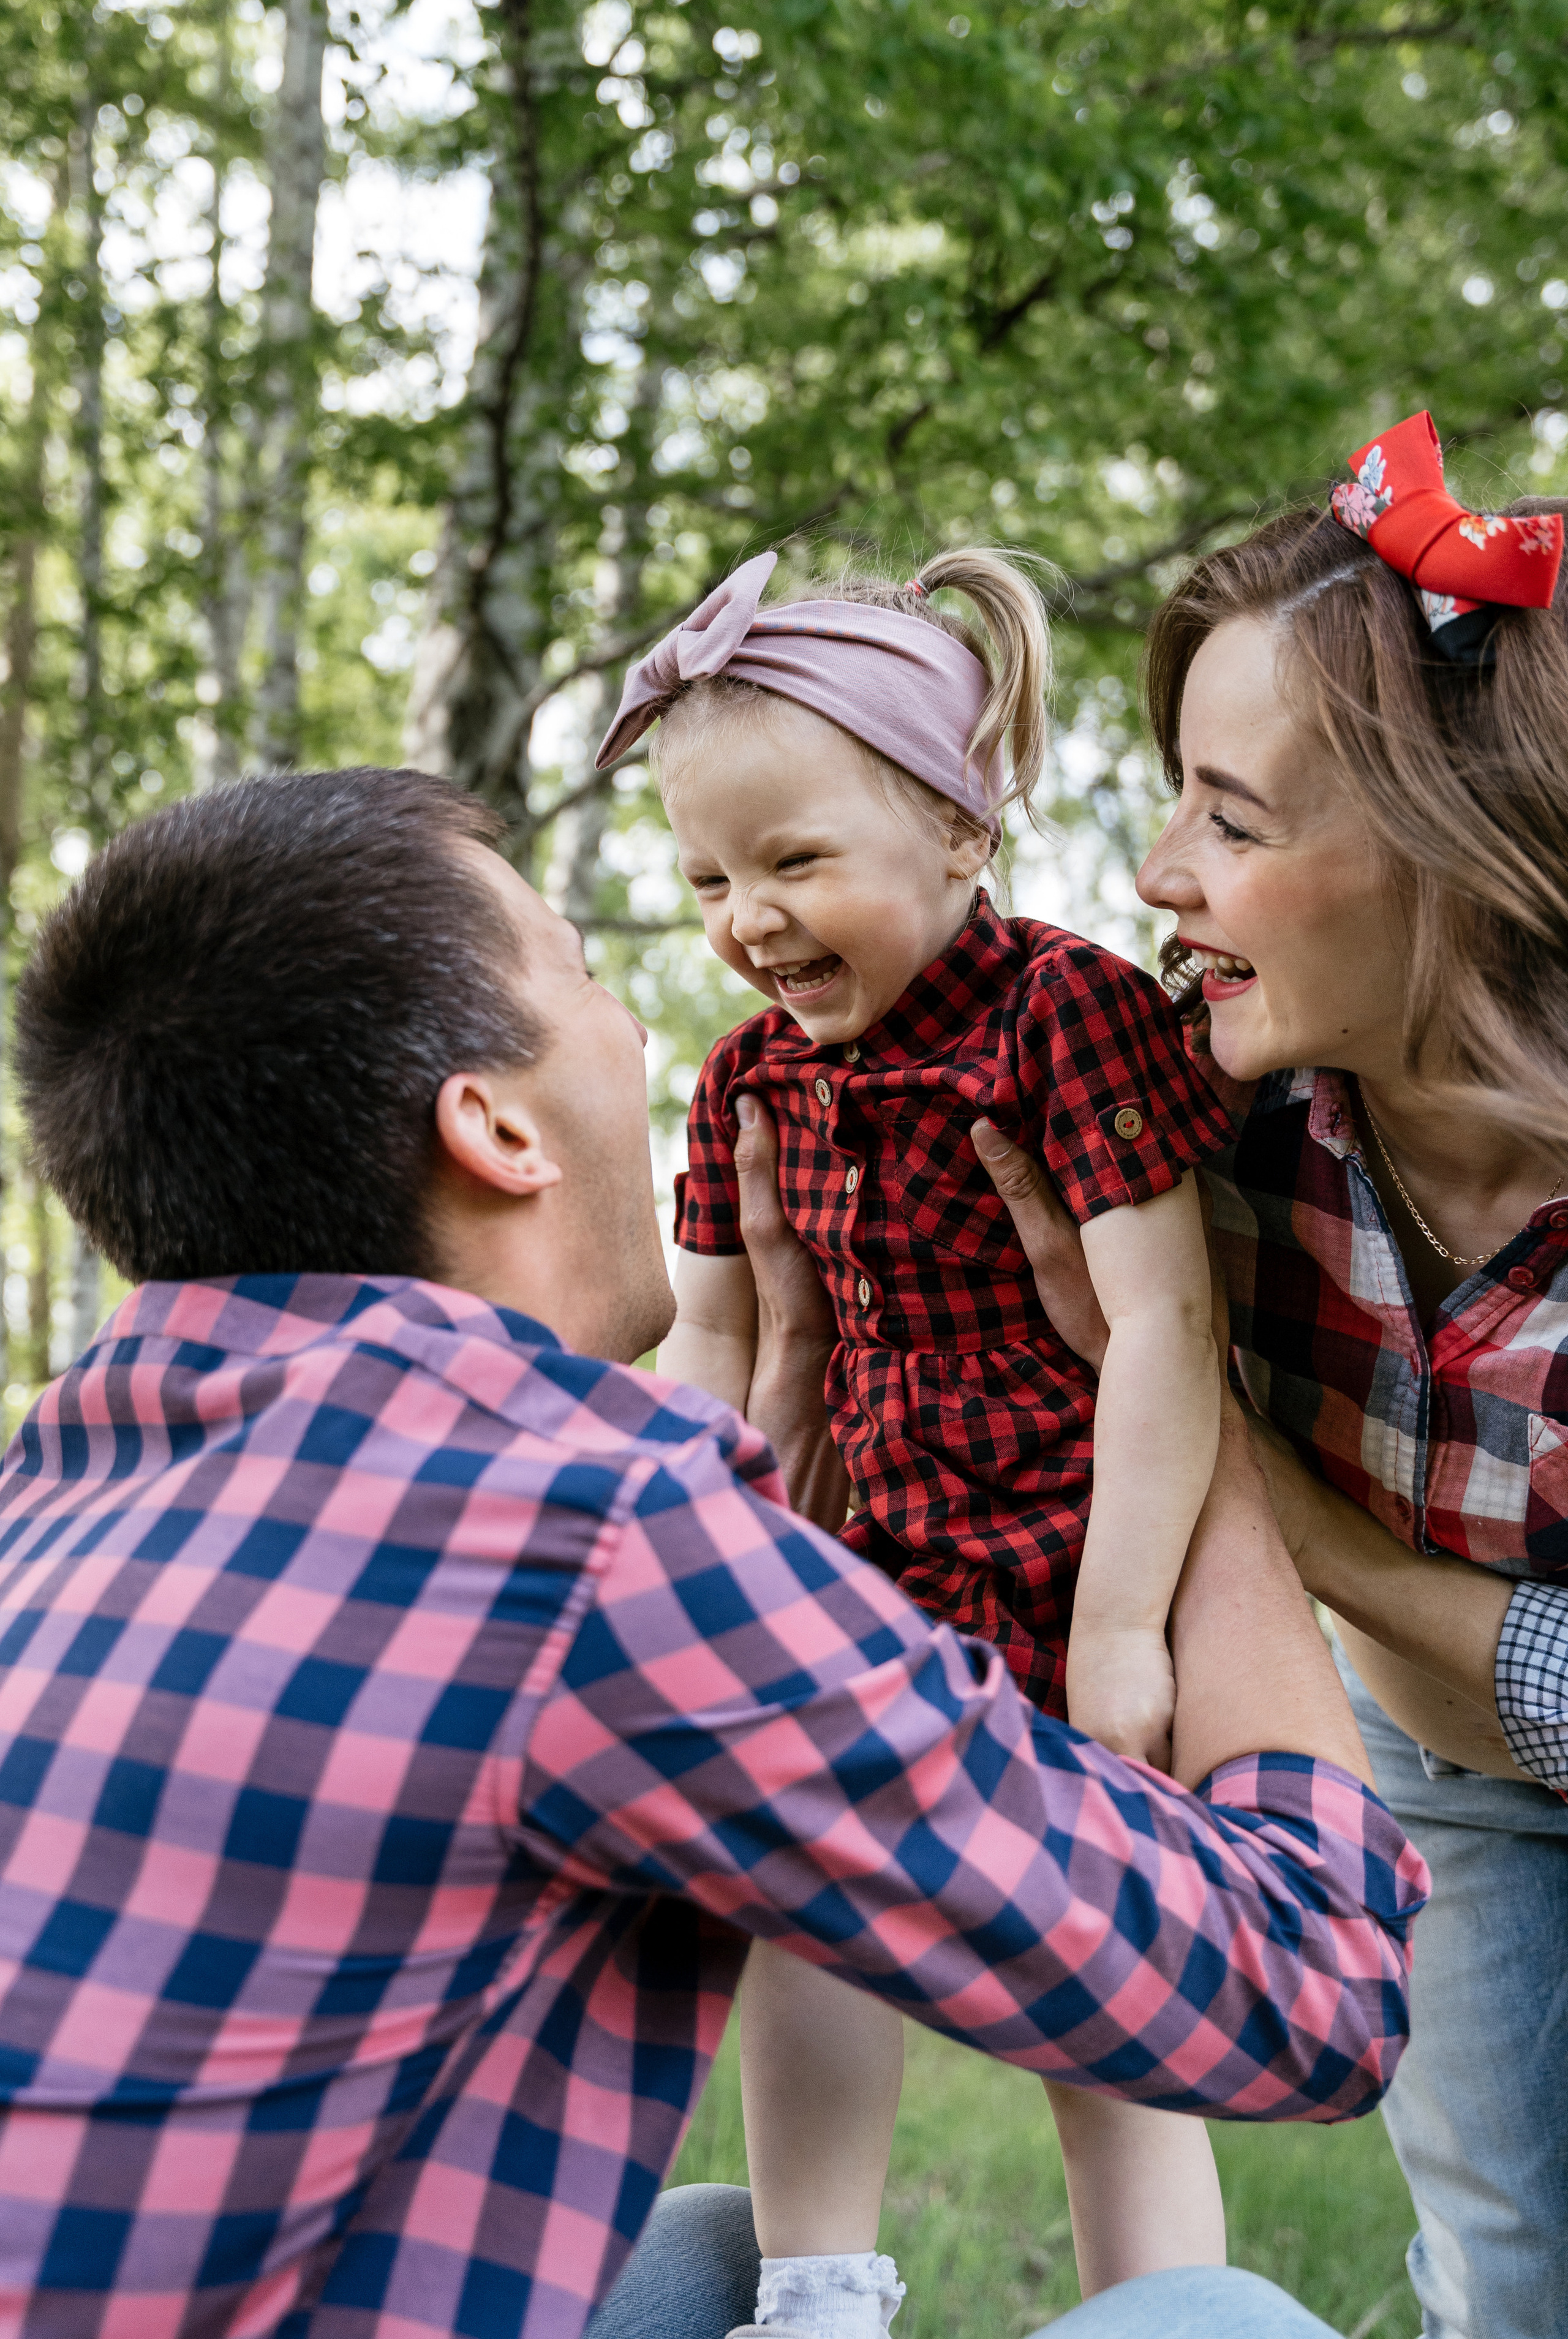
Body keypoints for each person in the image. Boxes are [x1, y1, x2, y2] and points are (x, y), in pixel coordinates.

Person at [0, 767, 1424, 2339]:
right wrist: (1177, 1401)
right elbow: (1313, 1992)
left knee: (706, 2252)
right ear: (493, 1126)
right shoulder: (574, 1533)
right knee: (1210, 2324)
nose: (657, 1025)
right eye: (592, 976)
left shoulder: (53, 1487)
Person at [595, 547, 1232, 2332]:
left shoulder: (1065, 1015)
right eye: (713, 873)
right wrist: (668, 1565)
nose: (748, 917)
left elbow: (1168, 1326)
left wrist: (1119, 1624)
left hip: (1062, 1546)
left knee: (1104, 1982)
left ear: (963, 833)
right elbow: (718, 1338)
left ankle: (1162, 2305)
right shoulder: (748, 1081)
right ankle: (814, 2288)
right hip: (859, 1571)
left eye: (797, 861)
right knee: (812, 1916)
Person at [1022, 412, 1568, 2339]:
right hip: (1441, 1765)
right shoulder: (1201, 1111)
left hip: (1470, 1699)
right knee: (1513, 2265)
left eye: (1236, 822)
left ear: (1465, 862)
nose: (1161, 870)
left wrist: (1279, 1501)